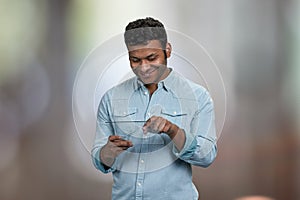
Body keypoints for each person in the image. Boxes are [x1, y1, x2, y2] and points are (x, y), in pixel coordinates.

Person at [92, 17, 217, 200]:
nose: (144, 67)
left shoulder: (198, 97)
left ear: (168, 50)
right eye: (135, 60)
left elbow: (207, 156)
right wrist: (108, 151)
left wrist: (172, 130)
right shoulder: (111, 98)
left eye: (152, 58)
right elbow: (99, 159)